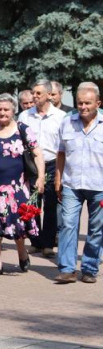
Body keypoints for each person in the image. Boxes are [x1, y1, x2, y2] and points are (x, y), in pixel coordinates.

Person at [0, 93, 45, 276]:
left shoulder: (22, 129)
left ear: (13, 111)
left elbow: (37, 154)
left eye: (6, 109)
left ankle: (22, 252)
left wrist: (40, 177)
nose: (2, 113)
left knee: (17, 225)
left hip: (17, 188)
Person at [54, 82, 103, 284]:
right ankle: (67, 269)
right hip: (72, 184)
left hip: (99, 186)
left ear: (98, 103)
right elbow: (61, 154)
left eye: (87, 103)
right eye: (80, 103)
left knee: (97, 229)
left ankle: (90, 267)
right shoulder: (67, 122)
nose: (83, 107)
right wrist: (58, 180)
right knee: (67, 225)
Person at [18, 80, 66, 258]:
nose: (35, 96)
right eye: (33, 93)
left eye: (38, 93)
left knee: (51, 204)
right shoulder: (25, 116)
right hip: (31, 165)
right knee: (33, 203)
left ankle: (48, 244)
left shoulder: (60, 117)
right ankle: (36, 242)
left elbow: (63, 145)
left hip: (52, 163)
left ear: (48, 95)